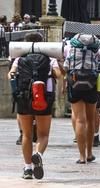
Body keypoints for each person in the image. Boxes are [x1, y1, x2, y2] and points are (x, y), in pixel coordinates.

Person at [8, 32, 62, 179]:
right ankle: (37, 154)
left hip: (23, 98)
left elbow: (11, 75)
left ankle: (27, 169)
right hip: (44, 99)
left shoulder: (19, 59)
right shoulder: (50, 59)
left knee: (26, 134)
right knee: (43, 135)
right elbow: (58, 75)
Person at [63, 33, 100, 164]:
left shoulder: (70, 45)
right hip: (92, 82)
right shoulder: (95, 46)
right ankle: (90, 153)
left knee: (80, 119)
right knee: (90, 119)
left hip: (74, 82)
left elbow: (64, 64)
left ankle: (82, 156)